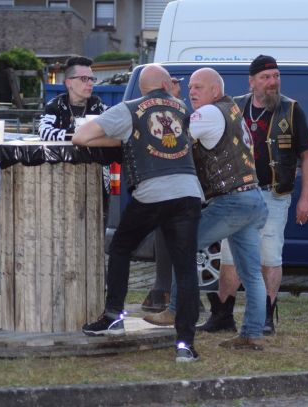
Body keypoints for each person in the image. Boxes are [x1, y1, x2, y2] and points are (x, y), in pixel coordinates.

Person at [72, 64, 202, 363]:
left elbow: (81, 137)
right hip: (188, 191)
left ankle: (113, 317)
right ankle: (185, 345)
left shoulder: (129, 109)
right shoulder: (183, 109)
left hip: (153, 193)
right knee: (185, 269)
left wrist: (123, 140)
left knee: (121, 248)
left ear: (142, 87)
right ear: (166, 85)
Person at [145, 67, 270, 350]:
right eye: (190, 87)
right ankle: (252, 334)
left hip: (232, 202)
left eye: (198, 87)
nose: (192, 92)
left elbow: (173, 137)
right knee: (251, 273)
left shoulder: (209, 113)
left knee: (183, 245)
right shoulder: (232, 110)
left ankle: (175, 310)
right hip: (253, 199)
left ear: (215, 90)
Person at [199, 55, 308, 336]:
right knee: (230, 257)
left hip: (273, 195)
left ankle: (265, 317)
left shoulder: (291, 109)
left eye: (276, 76)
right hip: (237, 195)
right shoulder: (234, 107)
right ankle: (223, 314)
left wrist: (306, 197)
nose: (272, 82)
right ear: (251, 81)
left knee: (269, 255)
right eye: (266, 77)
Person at [141, 76, 185, 313]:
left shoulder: (181, 111)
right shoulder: (169, 112)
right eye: (175, 82)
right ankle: (165, 289)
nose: (180, 86)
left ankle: (166, 289)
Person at [39, 55, 106, 141]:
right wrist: (77, 134)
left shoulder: (97, 104)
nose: (91, 83)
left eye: (92, 79)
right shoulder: (56, 105)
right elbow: (44, 132)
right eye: (84, 78)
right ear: (68, 83)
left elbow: (115, 124)